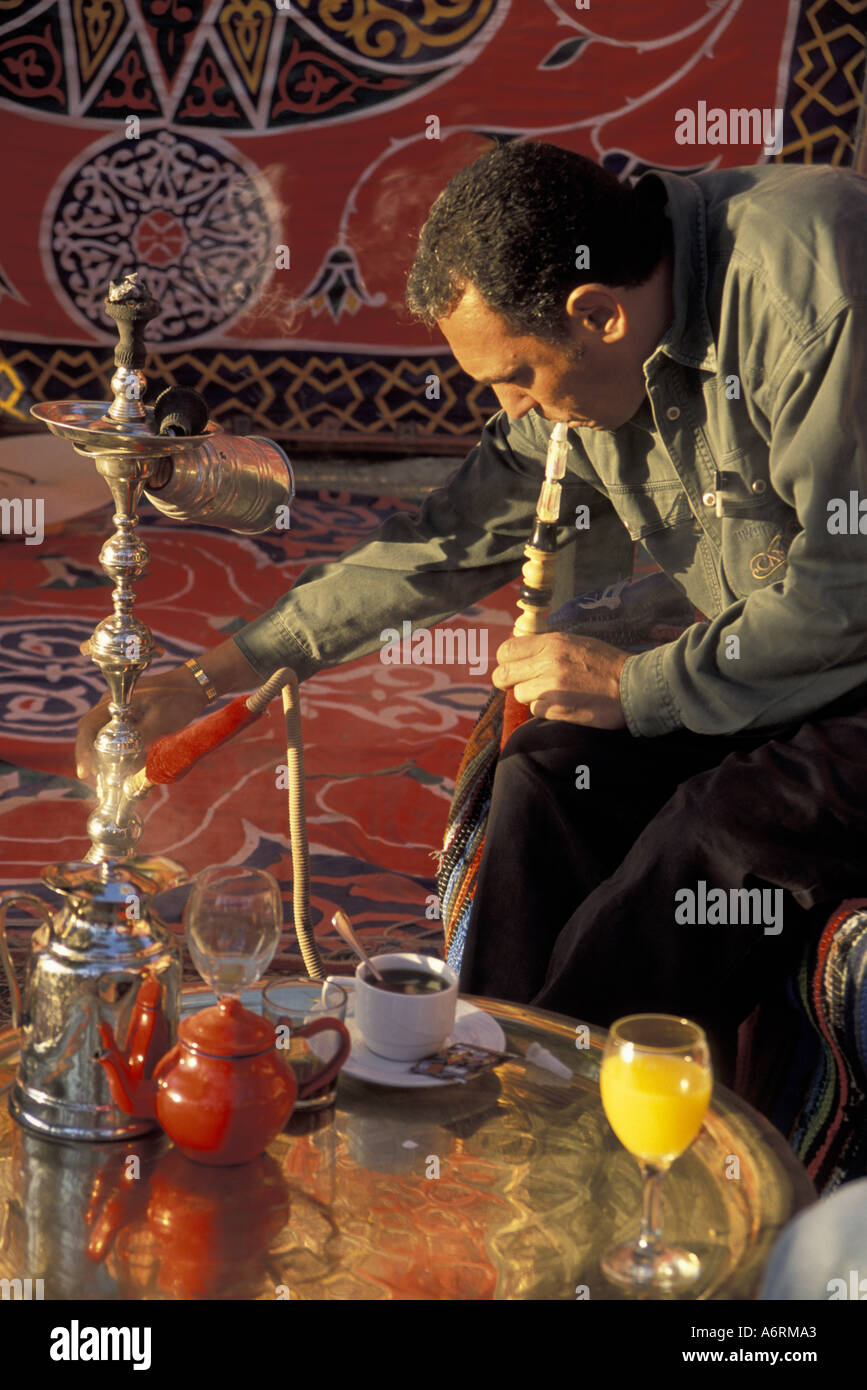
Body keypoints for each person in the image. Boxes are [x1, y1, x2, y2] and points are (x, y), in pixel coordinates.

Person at [77, 142, 867, 1083]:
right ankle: (480, 1083)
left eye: (516, 377)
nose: (508, 407)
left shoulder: (812, 292)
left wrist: (638, 682)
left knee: (710, 843)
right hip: (774, 661)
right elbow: (445, 539)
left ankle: (573, 1140)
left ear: (598, 313)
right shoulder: (599, 322)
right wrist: (213, 677)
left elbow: (844, 585)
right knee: (542, 780)